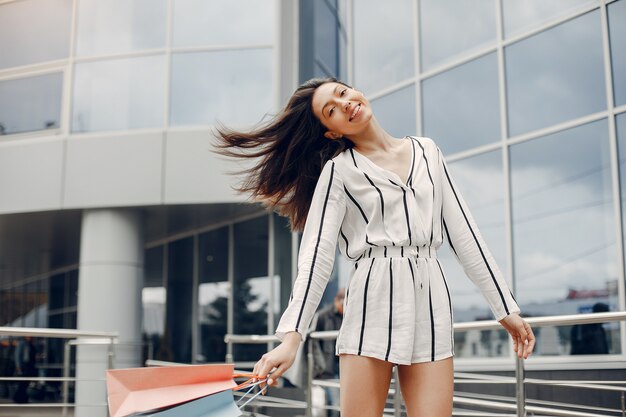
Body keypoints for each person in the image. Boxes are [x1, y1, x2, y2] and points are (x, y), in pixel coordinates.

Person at [213, 77, 535, 417]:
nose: (345, 104)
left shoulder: (428, 152)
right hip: (372, 303)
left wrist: (504, 307)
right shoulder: (339, 173)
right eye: (331, 110)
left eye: (342, 93)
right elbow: (316, 259)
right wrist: (292, 337)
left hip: (430, 303)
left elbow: (465, 236)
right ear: (332, 132)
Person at [311, 288, 344, 417]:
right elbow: (312, 343)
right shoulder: (322, 316)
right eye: (343, 304)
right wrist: (318, 367)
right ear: (337, 300)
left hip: (340, 368)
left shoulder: (348, 317)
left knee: (336, 406)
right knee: (321, 408)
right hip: (324, 370)